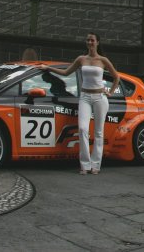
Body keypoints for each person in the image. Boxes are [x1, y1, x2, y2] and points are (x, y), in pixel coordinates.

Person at [39, 33, 120, 175]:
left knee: (99, 132)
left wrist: (111, 92)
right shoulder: (81, 59)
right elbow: (65, 72)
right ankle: (85, 165)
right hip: (85, 97)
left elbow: (116, 77)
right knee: (83, 129)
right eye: (88, 40)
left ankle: (96, 165)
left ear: (98, 43)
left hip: (100, 97)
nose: (90, 42)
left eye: (92, 40)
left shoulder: (103, 60)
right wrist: (49, 68)